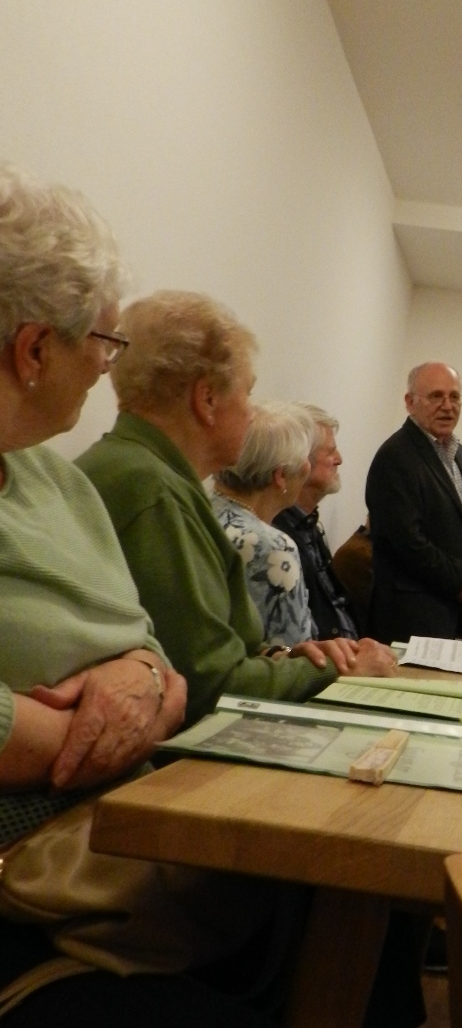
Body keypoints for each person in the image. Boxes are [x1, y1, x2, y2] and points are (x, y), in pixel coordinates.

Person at [0, 164, 325, 1028]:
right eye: (98, 341)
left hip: (88, 863)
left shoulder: (54, 480)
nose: (108, 365)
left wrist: (141, 682)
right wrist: (66, 738)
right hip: (26, 906)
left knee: (306, 933)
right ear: (32, 348)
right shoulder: (124, 479)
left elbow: (161, 654)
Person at [77, 291, 395, 727]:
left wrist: (284, 657)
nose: (251, 413)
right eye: (248, 392)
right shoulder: (153, 492)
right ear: (207, 399)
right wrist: (337, 670)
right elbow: (207, 684)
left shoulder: (146, 474)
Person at [366, 361, 462, 642]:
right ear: (410, 403)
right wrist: (460, 583)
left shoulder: (460, 455)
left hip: (449, 616)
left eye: (454, 396)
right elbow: (408, 543)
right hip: (409, 620)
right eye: (436, 396)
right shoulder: (395, 456)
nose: (448, 406)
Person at [212, 400, 318, 644]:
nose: (308, 468)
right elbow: (296, 649)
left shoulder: (198, 508)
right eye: (306, 458)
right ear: (280, 476)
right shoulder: (273, 547)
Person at [273, 405, 363, 641]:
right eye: (330, 451)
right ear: (302, 460)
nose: (339, 459)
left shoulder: (308, 525)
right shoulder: (278, 535)